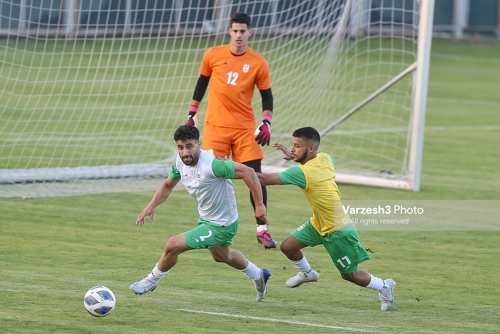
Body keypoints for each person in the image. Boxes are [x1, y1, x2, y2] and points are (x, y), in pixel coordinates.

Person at [257, 127, 396, 311]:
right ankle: (307, 274)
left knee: (349, 275)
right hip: (318, 223)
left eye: (297, 146)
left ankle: (384, 286)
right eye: (292, 145)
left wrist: (231, 168)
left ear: (311, 149)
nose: (292, 149)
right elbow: (326, 158)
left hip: (338, 230)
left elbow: (263, 179)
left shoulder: (303, 173)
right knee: (288, 247)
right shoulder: (325, 158)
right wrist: (296, 157)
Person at [129, 125, 271, 302]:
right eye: (180, 147)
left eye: (189, 146)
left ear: (199, 145)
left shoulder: (213, 165)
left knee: (172, 245)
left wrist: (259, 205)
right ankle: (259, 275)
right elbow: (167, 185)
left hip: (222, 225)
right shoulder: (180, 162)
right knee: (222, 256)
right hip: (207, 220)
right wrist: (151, 205)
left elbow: (249, 172)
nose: (184, 152)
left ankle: (151, 280)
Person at [185, 12, 276, 249]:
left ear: (250, 33)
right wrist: (192, 114)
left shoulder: (258, 62)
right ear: (229, 31)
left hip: (245, 128)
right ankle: (212, 224)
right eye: (235, 31)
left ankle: (262, 229)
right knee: (212, 176)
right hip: (215, 127)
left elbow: (267, 96)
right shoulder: (213, 55)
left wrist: (266, 122)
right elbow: (201, 83)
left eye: (242, 31)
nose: (238, 35)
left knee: (255, 175)